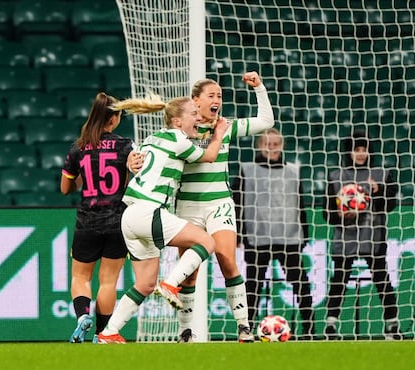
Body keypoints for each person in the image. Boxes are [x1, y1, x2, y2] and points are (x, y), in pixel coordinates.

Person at [96, 94, 230, 344]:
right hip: (149, 210)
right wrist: (219, 132)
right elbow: (209, 156)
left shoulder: (152, 139)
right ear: (178, 122)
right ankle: (171, 284)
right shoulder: (178, 139)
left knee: (145, 284)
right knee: (206, 242)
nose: (198, 117)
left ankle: (108, 332)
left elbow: (139, 165)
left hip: (130, 215)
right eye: (193, 113)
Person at [173, 71, 275, 343]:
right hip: (188, 207)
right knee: (189, 271)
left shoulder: (226, 126)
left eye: (219, 95)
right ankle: (185, 330)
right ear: (196, 100)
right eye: (211, 95)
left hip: (219, 204)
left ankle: (243, 326)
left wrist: (259, 88)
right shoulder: (183, 130)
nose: (217, 99)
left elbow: (266, 121)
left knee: (228, 260)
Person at [61, 92, 144, 343]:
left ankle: (82, 316)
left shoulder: (79, 147)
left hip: (87, 220)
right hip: (117, 220)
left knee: (80, 277)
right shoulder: (126, 145)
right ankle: (102, 333)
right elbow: (132, 181)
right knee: (108, 282)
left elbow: (66, 188)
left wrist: (82, 179)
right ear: (115, 118)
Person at [231, 128, 315, 340]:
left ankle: (311, 329)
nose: (272, 147)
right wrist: (238, 235)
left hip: (288, 237)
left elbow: (300, 203)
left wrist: (304, 234)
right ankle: (246, 330)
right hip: (257, 237)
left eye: (276, 143)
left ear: (282, 145)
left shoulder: (293, 171)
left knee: (301, 284)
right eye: (268, 143)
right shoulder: (247, 169)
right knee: (253, 286)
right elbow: (237, 203)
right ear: (260, 145)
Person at [322, 131, 401, 340]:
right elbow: (326, 213)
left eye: (363, 149)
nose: (360, 154)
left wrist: (379, 191)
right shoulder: (336, 175)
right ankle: (330, 325)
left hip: (373, 236)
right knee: (339, 279)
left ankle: (392, 325)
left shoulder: (381, 174)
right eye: (356, 150)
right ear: (349, 152)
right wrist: (340, 214)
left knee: (381, 279)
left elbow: (391, 205)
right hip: (345, 236)